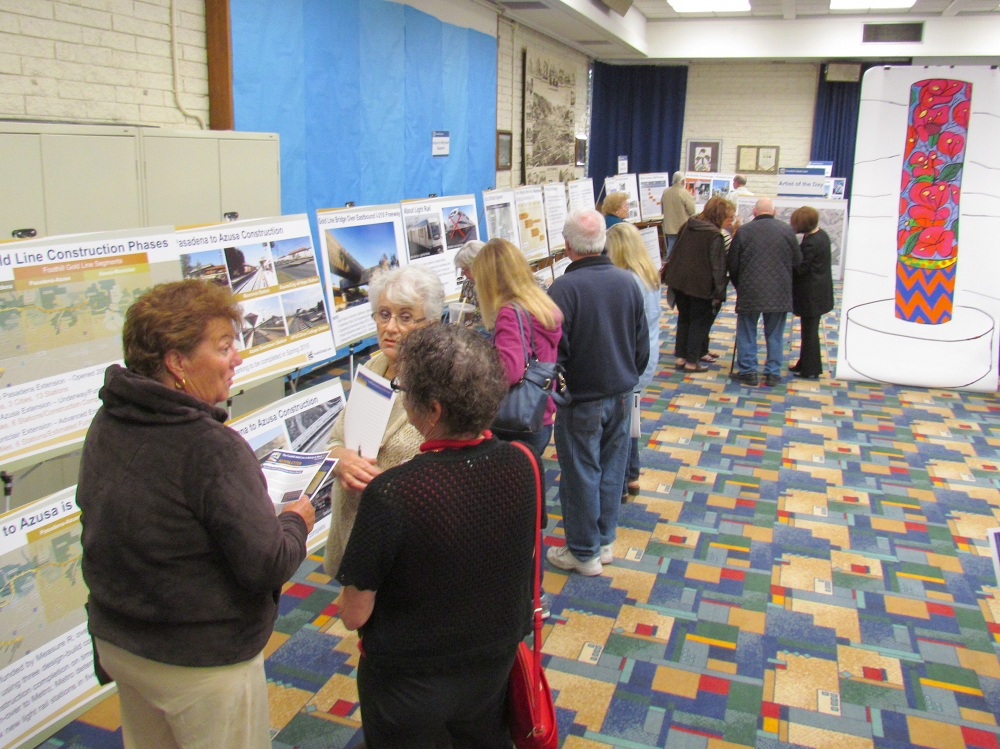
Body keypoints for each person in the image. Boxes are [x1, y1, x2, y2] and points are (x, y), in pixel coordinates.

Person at [77, 280, 315, 749]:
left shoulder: (109, 421)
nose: (237, 359)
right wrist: (296, 521)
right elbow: (266, 564)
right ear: (177, 362)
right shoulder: (210, 448)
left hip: (120, 641)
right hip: (199, 661)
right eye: (224, 347)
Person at [335, 324, 537, 748]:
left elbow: (353, 614)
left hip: (409, 682)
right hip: (492, 666)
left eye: (405, 390)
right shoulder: (523, 464)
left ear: (432, 410)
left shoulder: (392, 492)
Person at [323, 264, 444, 576]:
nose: (390, 327)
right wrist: (340, 460)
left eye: (405, 317)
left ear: (430, 324)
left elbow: (445, 476)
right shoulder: (373, 367)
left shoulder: (438, 385)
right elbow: (336, 439)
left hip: (401, 544)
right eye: (384, 314)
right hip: (352, 526)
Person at [547, 210, 649, 576]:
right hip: (622, 393)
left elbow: (555, 354)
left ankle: (583, 551)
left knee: (580, 474)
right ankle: (603, 542)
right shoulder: (628, 281)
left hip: (582, 399)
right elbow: (641, 346)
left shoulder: (563, 289)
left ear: (567, 246)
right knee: (610, 469)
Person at [472, 237, 563, 457]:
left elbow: (510, 371)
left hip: (515, 420)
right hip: (538, 413)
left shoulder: (510, 313)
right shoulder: (540, 305)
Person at [606, 222, 661, 500]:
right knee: (630, 417)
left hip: (632, 359)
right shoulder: (648, 275)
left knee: (622, 423)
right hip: (647, 356)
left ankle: (623, 480)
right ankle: (632, 475)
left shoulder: (627, 281)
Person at [727, 198, 802, 387]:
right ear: (774, 212)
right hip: (779, 290)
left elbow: (733, 263)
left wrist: (739, 285)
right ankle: (773, 373)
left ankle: (748, 371)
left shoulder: (743, 231)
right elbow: (797, 261)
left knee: (747, 331)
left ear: (754, 212)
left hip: (750, 289)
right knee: (775, 334)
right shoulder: (787, 231)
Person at [661, 197, 729, 373]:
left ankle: (681, 357)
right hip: (700, 285)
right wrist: (720, 293)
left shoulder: (688, 225)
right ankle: (692, 361)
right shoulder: (714, 235)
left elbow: (675, 251)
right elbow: (718, 267)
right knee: (698, 322)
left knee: (684, 319)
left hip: (679, 281)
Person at [790, 206, 834, 380]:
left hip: (811, 294)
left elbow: (801, 269)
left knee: (809, 333)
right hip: (819, 291)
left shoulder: (810, 243)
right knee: (809, 331)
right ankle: (805, 363)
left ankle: (810, 368)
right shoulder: (821, 235)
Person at [660, 171, 697, 258]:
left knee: (670, 248)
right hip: (682, 227)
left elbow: (662, 208)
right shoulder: (684, 193)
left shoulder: (666, 192)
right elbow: (692, 210)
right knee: (682, 252)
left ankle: (668, 264)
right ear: (683, 181)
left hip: (669, 227)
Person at [453, 239, 485, 326]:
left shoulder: (498, 287)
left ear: (478, 265)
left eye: (465, 269)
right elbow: (463, 316)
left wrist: (477, 327)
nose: (462, 274)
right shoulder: (468, 285)